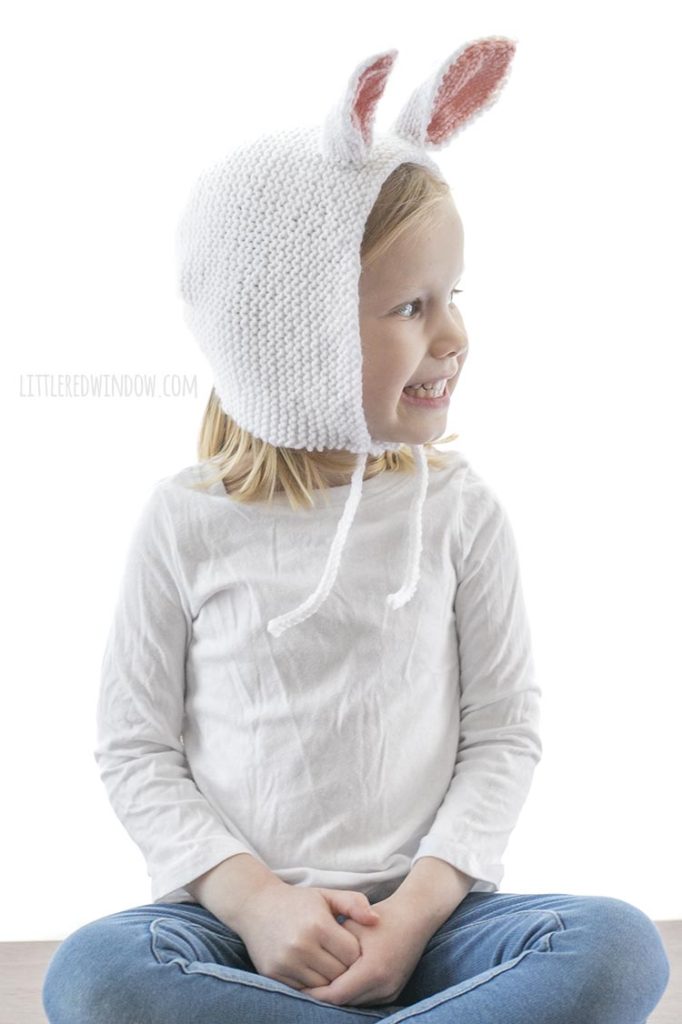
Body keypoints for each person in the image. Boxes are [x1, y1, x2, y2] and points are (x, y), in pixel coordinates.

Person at [42, 38, 670, 1024]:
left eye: (453, 297)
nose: (455, 336)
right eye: (412, 306)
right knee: (93, 972)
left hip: (433, 925)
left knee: (616, 945)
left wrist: (416, 913)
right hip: (240, 932)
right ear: (297, 335)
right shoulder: (185, 520)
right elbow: (134, 746)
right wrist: (255, 901)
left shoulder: (462, 510)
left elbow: (502, 731)